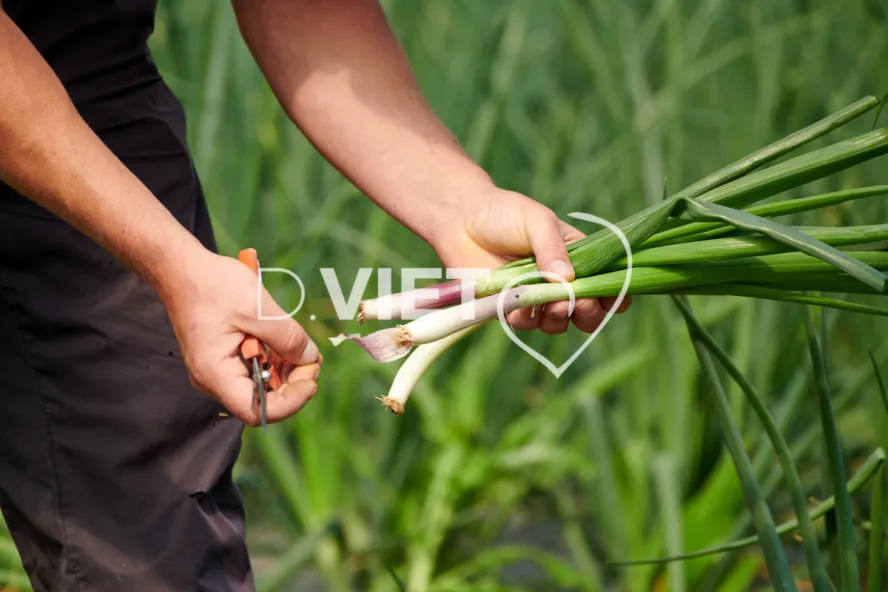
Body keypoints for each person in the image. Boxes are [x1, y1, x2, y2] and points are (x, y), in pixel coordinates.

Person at [0, 0, 628, 589]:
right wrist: (172, 261)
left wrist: (461, 207)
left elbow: (306, 8)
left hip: (90, 92)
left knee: (155, 540)